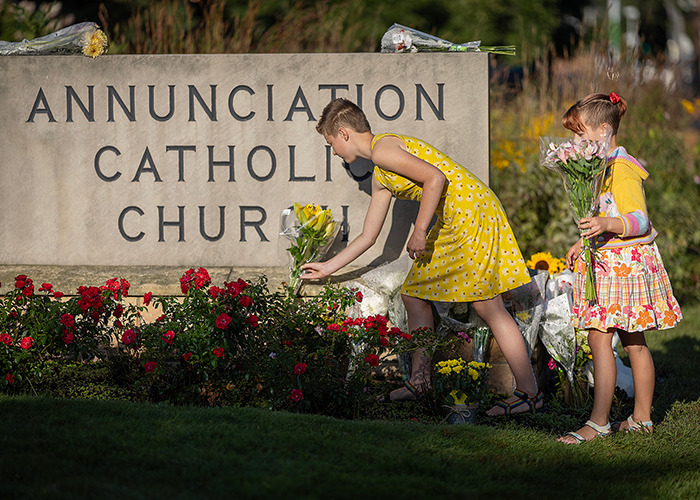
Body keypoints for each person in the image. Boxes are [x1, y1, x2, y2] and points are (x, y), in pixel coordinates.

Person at [301, 98, 542, 413]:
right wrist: (326, 267)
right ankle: (419, 383)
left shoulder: (384, 150)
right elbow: (368, 236)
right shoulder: (380, 173)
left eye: (331, 143)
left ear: (344, 133)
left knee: (488, 305)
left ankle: (529, 394)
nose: (334, 151)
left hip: (470, 213)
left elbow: (436, 178)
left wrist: (419, 232)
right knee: (413, 295)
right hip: (454, 219)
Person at [557, 92, 683, 444]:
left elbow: (639, 220)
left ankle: (599, 422)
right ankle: (640, 419)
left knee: (603, 339)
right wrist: (584, 241)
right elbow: (605, 214)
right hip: (612, 264)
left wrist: (607, 224)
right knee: (632, 343)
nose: (575, 143)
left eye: (580, 136)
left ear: (604, 129)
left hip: (623, 268)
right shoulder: (602, 168)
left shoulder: (622, 169)